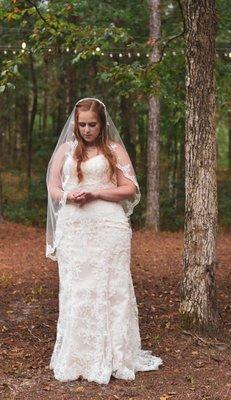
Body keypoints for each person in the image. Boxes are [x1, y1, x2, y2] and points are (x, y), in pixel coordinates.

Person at [45, 97, 163, 384]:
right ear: (75, 124)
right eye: (82, 124)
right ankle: (77, 356)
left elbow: (130, 188)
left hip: (109, 226)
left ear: (102, 123)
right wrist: (67, 196)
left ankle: (115, 355)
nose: (87, 130)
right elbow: (52, 185)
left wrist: (97, 193)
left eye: (92, 124)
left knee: (112, 287)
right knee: (77, 288)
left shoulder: (114, 150)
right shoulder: (65, 150)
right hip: (74, 226)